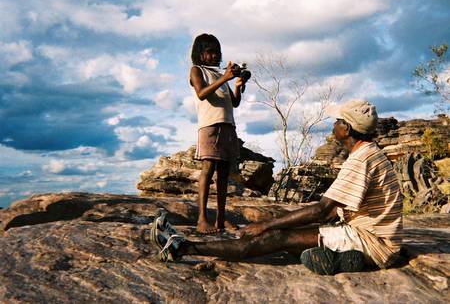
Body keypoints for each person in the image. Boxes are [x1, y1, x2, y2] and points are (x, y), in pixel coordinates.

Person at [151, 99, 404, 275]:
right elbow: (328, 212)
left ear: (346, 128)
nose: (333, 124)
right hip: (372, 238)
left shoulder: (361, 159)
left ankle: (182, 247)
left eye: (337, 121)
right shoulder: (371, 153)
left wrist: (267, 225)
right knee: (291, 232)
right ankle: (341, 259)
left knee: (276, 236)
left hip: (373, 243)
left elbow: (322, 210)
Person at [189, 34, 247, 234]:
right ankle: (202, 219)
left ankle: (220, 219)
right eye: (209, 52)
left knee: (223, 175)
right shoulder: (198, 70)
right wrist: (225, 77)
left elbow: (234, 102)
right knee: (208, 170)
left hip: (228, 125)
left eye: (217, 52)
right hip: (209, 126)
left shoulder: (222, 77)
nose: (214, 56)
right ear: (200, 54)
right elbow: (201, 93)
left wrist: (238, 85)